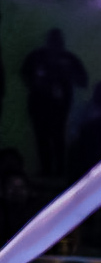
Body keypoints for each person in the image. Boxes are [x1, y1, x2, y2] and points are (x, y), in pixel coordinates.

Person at [21, 29, 87, 177]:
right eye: (54, 40)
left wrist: (67, 74)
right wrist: (37, 84)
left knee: (56, 137)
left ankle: (58, 171)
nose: (56, 44)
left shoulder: (66, 58)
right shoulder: (38, 56)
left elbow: (82, 80)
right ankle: (50, 170)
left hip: (58, 107)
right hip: (39, 105)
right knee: (44, 137)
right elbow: (25, 74)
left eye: (58, 41)